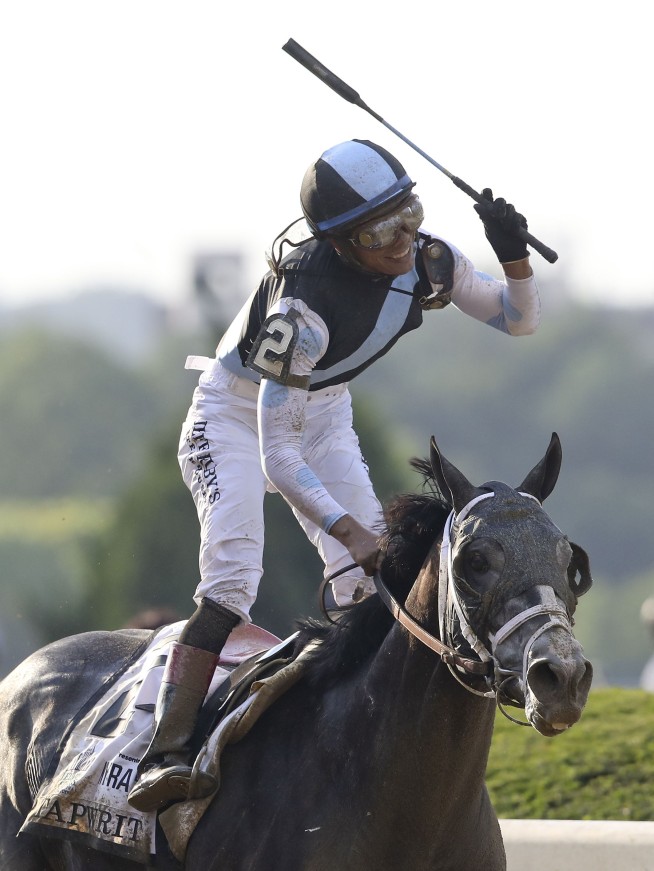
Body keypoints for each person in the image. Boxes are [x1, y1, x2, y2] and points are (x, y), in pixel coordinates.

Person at [127, 138, 541, 812]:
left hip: (323, 410)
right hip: (235, 419)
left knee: (369, 591)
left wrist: (513, 253)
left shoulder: (430, 261)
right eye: (383, 231)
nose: (405, 240)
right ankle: (167, 752)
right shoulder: (302, 312)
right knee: (234, 580)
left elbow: (520, 320)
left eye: (410, 214)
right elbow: (277, 458)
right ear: (344, 242)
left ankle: (359, 739)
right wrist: (349, 530)